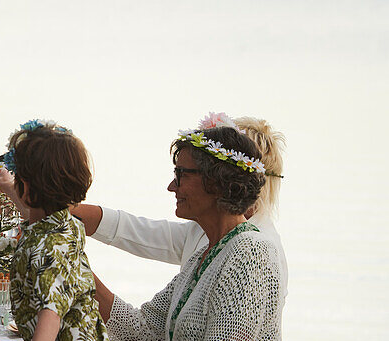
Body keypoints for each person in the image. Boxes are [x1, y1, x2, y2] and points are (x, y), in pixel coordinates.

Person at [95, 123, 283, 341]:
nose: (172, 186)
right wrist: (74, 268)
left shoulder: (251, 253)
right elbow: (139, 329)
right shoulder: (204, 257)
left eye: (182, 174)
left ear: (218, 182)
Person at [72, 114, 288, 304]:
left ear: (224, 176)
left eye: (183, 174)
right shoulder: (205, 238)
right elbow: (137, 231)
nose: (171, 186)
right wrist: (62, 221)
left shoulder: (257, 254)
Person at [1, 119, 126, 341]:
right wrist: (10, 189)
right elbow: (35, 211)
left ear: (27, 184)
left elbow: (52, 309)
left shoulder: (50, 241)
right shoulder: (63, 226)